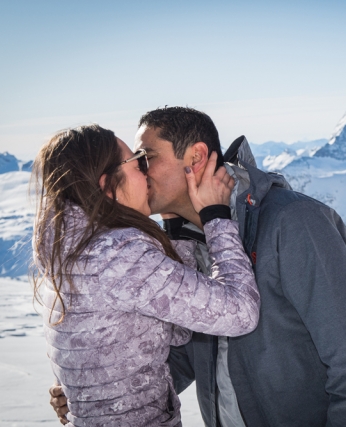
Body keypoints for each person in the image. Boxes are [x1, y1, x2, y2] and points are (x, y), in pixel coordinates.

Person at [51, 108, 346, 426]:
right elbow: (188, 356)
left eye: (147, 158)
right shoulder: (184, 245)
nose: (140, 171)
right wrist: (99, 387)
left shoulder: (293, 222)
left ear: (196, 157)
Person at [33, 124, 260, 426]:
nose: (147, 171)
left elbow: (172, 329)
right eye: (138, 162)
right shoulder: (119, 255)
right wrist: (216, 217)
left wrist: (174, 229)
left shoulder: (70, 248)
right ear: (107, 185)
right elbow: (241, 312)